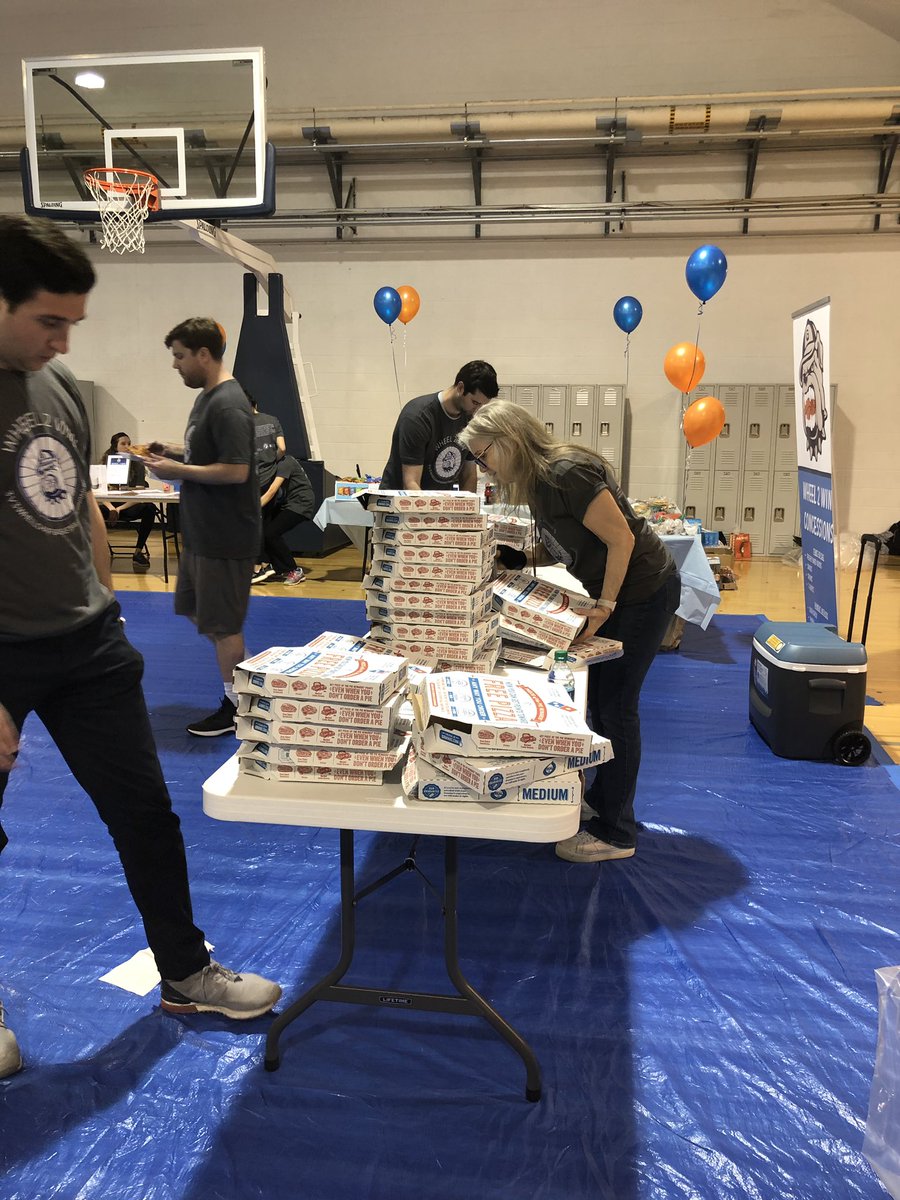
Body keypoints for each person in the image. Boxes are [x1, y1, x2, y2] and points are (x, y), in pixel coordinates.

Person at [0, 214, 281, 1078]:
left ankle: (186, 972)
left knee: (148, 818)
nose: (63, 339)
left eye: (72, 324)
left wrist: (107, 600)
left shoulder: (56, 385)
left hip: (88, 647)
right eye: (50, 320)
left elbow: (79, 502)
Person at [459, 399, 680, 864]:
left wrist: (604, 607)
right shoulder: (538, 482)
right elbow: (563, 540)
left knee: (617, 709)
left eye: (483, 455)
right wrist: (510, 561)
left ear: (509, 441)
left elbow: (621, 539)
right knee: (599, 705)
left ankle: (617, 834)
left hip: (642, 592)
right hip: (619, 592)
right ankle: (604, 803)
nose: (482, 468)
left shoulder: (567, 472)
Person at [143, 319, 260, 737]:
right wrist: (171, 449)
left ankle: (237, 706)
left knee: (223, 625)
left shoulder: (229, 403)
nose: (175, 366)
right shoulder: (207, 398)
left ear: (203, 355)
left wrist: (178, 470)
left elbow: (235, 470)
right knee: (204, 615)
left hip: (225, 536)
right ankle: (251, 681)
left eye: (179, 356)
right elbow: (206, 450)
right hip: (203, 534)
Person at [380, 360, 499, 492]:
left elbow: (469, 475)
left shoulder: (470, 419)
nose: (477, 410)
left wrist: (468, 510)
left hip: (437, 503)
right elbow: (411, 483)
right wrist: (425, 512)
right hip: (399, 503)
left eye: (482, 405)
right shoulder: (418, 417)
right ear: (460, 388)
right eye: (475, 402)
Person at [252, 453, 315, 585]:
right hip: (288, 503)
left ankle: (294, 570)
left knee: (271, 533)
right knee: (263, 527)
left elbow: (272, 490)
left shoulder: (285, 462)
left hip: (300, 503)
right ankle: (272, 566)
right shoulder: (270, 466)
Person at [98, 431, 157, 566]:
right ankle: (96, 553)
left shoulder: (138, 464)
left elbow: (140, 492)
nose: (127, 446)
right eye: (123, 444)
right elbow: (100, 491)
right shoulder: (105, 463)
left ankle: (138, 552)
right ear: (115, 447)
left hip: (129, 505)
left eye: (129, 443)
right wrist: (111, 508)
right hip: (110, 505)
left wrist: (119, 509)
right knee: (90, 512)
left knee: (150, 508)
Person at [246, 392, 285, 489]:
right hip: (270, 476)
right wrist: (272, 458)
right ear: (255, 405)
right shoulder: (272, 420)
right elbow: (282, 448)